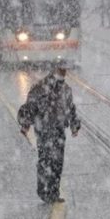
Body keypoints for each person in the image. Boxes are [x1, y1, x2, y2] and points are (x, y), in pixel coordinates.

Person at [18, 67, 81, 203]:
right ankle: (44, 191)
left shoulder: (65, 89)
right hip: (44, 129)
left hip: (58, 129)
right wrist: (25, 125)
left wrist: (74, 125)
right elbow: (30, 106)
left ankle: (53, 192)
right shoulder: (41, 88)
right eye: (61, 71)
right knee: (46, 160)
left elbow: (71, 108)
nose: (64, 74)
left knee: (57, 162)